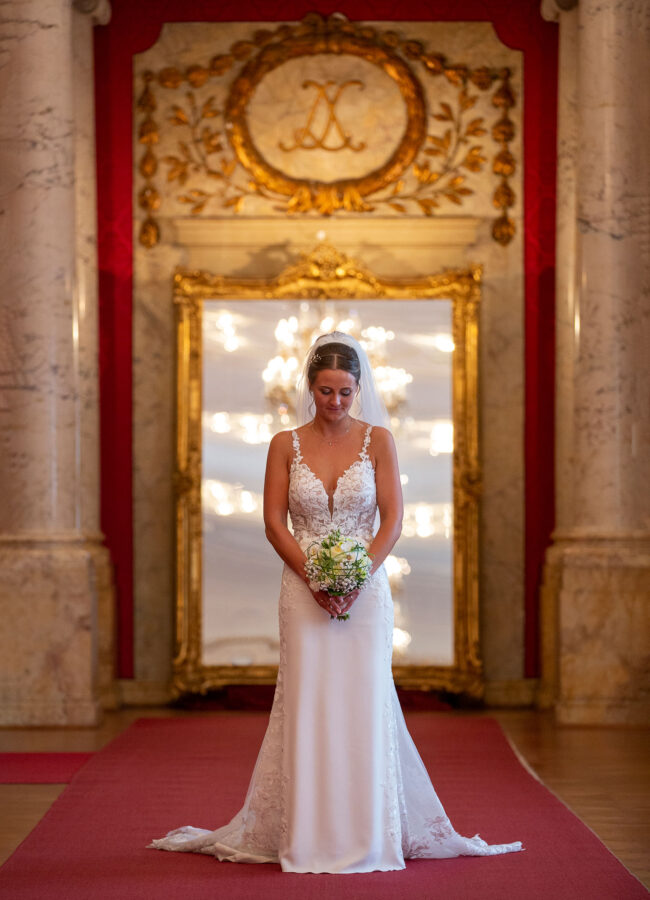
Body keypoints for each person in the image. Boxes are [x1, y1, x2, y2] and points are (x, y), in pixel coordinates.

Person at [148, 331, 523, 873]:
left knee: (362, 703)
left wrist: (356, 576)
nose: (336, 403)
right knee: (308, 702)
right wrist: (314, 576)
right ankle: (307, 835)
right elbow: (274, 522)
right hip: (301, 593)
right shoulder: (284, 443)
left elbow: (392, 519)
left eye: (346, 392)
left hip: (365, 593)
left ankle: (368, 832)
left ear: (359, 388)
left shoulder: (378, 441)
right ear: (310, 388)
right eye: (326, 391)